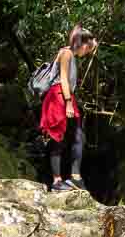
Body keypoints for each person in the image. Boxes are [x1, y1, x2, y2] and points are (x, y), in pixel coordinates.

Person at [40, 24, 98, 191]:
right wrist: (68, 103)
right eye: (89, 48)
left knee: (77, 136)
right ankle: (59, 181)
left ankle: (74, 177)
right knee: (59, 138)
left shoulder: (70, 54)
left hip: (63, 96)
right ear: (83, 44)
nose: (87, 52)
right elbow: (63, 79)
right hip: (59, 97)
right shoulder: (66, 53)